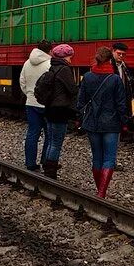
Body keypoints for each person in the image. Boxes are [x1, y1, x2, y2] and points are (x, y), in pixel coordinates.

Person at [78, 47, 128, 198]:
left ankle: (99, 189)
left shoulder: (87, 77)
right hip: (111, 124)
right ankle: (101, 192)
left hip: (92, 123)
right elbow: (121, 104)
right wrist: (124, 122)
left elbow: (80, 103)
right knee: (109, 159)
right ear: (109, 60)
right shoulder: (115, 79)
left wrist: (80, 118)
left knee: (97, 157)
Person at [37, 44, 78, 179]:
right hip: (60, 110)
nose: (71, 60)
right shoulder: (64, 69)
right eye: (69, 57)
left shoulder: (52, 67)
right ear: (64, 56)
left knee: (51, 141)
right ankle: (50, 172)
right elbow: (72, 89)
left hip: (50, 108)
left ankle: (47, 168)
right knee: (56, 143)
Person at [18, 40, 52, 171]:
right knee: (49, 134)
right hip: (46, 105)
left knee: (32, 133)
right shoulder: (49, 64)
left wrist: (29, 94)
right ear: (49, 51)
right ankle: (45, 161)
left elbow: (22, 82)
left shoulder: (27, 63)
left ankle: (30, 163)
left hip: (31, 102)